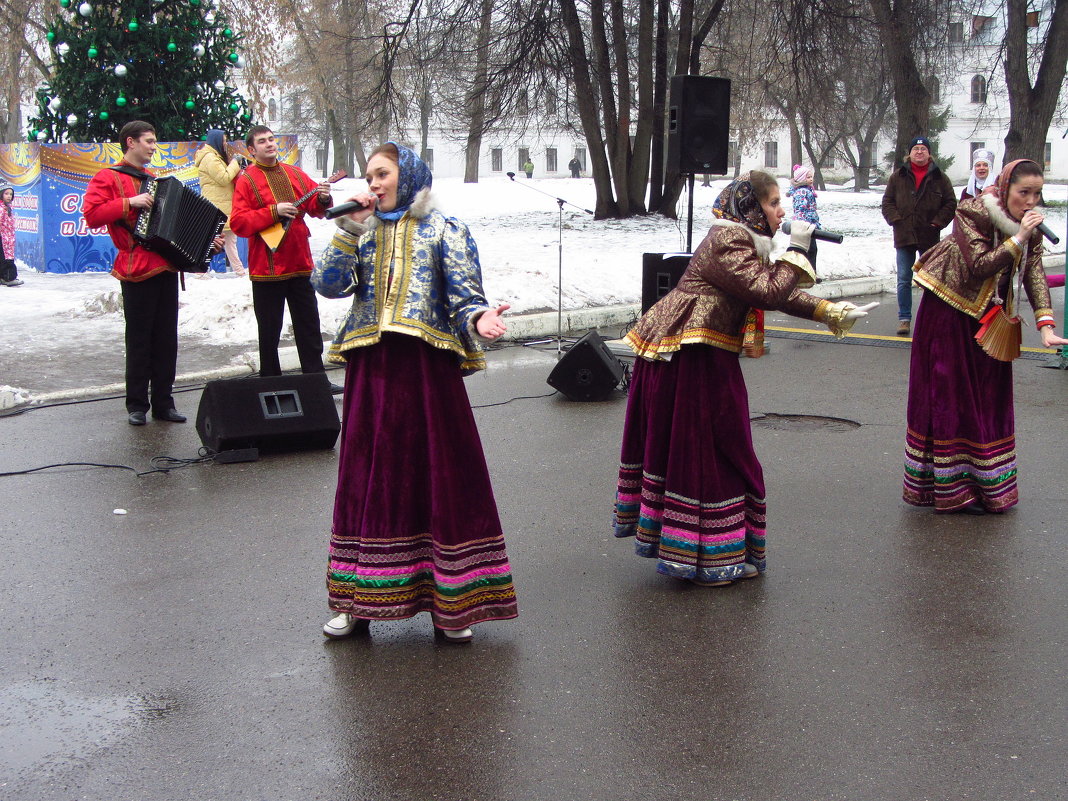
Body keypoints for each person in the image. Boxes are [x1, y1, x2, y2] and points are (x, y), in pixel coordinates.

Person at [613, 171, 875, 586]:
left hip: (704, 356)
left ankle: (718, 551)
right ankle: (705, 559)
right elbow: (767, 292)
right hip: (685, 358)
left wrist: (828, 311)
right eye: (774, 203)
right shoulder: (727, 240)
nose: (782, 210)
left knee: (723, 449)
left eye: (780, 202)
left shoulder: (745, 245)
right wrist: (800, 248)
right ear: (751, 208)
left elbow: (771, 289)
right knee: (707, 452)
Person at [311, 142, 518, 643]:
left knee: (438, 480)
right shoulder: (362, 231)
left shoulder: (445, 229)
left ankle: (454, 602)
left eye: (382, 174)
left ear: (408, 175)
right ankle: (356, 601)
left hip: (427, 374)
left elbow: (465, 294)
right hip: (371, 373)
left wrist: (480, 317)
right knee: (367, 481)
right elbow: (327, 284)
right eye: (369, 176)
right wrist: (347, 230)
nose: (374, 183)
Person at [903, 159, 1067, 515]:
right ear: (1005, 188)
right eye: (1024, 192)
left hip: (990, 314)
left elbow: (1034, 272)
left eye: (1037, 194)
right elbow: (979, 265)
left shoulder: (1031, 225)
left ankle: (987, 485)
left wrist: (1046, 325)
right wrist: (1019, 237)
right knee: (951, 396)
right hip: (949, 308)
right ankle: (951, 489)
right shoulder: (973, 211)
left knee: (988, 397)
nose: (1031, 201)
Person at [82, 121, 196, 426]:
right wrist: (128, 202)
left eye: (154, 141)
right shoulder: (108, 177)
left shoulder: (154, 180)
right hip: (135, 268)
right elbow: (92, 215)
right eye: (149, 141)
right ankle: (136, 404)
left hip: (165, 266)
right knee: (140, 339)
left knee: (166, 339)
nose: (153, 146)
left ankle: (163, 403)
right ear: (130, 142)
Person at [229, 126, 335, 385]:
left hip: (300, 262)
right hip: (267, 267)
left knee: (309, 324)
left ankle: (316, 378)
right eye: (262, 141)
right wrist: (273, 212)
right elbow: (239, 223)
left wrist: (322, 198)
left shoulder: (295, 173)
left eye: (271, 139)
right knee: (269, 329)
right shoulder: (247, 179)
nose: (269, 144)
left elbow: (316, 209)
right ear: (252, 150)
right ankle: (271, 381)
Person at [881, 136, 957, 336]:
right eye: (916, 149)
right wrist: (896, 220)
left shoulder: (940, 177)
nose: (920, 152)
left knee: (931, 280)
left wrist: (937, 223)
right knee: (904, 278)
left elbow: (950, 203)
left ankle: (931, 319)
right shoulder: (898, 176)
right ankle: (904, 319)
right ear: (910, 153)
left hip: (929, 235)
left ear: (929, 153)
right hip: (904, 235)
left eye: (924, 149)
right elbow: (887, 202)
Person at [194, 128, 246, 276]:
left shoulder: (214, 156)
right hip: (216, 207)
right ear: (216, 141)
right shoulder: (210, 157)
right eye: (223, 140)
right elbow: (223, 178)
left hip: (223, 205)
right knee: (210, 240)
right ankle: (200, 273)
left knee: (230, 240)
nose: (225, 143)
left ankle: (239, 272)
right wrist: (235, 163)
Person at [786, 164, 821, 271]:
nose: (811, 179)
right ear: (802, 179)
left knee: (812, 249)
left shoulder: (807, 190)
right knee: (810, 249)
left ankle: (810, 272)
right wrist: (807, 222)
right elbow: (800, 210)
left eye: (811, 177)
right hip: (805, 225)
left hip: (809, 224)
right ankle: (808, 272)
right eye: (808, 177)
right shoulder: (802, 192)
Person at [0, 184, 23, 287]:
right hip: (4, 238)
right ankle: (8, 278)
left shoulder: (7, 207)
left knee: (5, 258)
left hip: (8, 238)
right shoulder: (1, 209)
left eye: (11, 194)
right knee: (7, 259)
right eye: (6, 193)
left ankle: (3, 277)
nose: (9, 196)